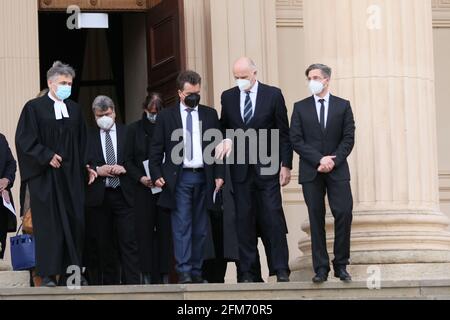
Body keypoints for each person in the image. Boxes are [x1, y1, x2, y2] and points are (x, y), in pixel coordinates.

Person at [219, 57, 293, 283]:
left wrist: (286, 164)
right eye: (236, 77)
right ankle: (249, 273)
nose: (240, 81)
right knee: (244, 221)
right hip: (240, 170)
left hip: (267, 168)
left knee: (272, 218)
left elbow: (283, 133)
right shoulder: (228, 97)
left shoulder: (273, 94)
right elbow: (224, 128)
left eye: (243, 77)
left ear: (254, 73)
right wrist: (225, 140)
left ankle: (280, 269)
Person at [15, 61, 88, 287]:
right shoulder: (34, 108)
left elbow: (84, 142)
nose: (67, 86)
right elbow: (24, 140)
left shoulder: (75, 109)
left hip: (71, 178)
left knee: (76, 223)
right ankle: (47, 275)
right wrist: (46, 155)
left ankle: (73, 275)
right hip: (45, 178)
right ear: (50, 82)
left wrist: (88, 165)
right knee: (49, 226)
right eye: (63, 83)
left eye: (69, 83)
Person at [149, 70, 224, 284]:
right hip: (179, 178)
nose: (195, 97)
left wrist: (219, 175)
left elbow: (218, 148)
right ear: (180, 93)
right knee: (182, 225)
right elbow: (155, 149)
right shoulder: (166, 116)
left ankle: (197, 272)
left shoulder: (209, 114)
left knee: (201, 228)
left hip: (204, 177)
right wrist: (156, 175)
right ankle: (183, 272)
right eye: (190, 93)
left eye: (197, 92)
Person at [290, 63, 355, 283]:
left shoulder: (342, 106)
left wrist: (332, 161)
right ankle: (321, 268)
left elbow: (348, 138)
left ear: (327, 79)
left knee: (344, 212)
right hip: (311, 170)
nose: (312, 81)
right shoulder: (300, 107)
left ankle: (341, 264)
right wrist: (319, 159)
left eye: (316, 77)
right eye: (309, 78)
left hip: (337, 170)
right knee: (315, 218)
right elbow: (296, 139)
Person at [85, 95, 140, 285]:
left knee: (128, 242)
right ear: (94, 116)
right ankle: (110, 288)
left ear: (114, 112)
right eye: (100, 115)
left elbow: (137, 160)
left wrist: (124, 169)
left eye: (107, 114)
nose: (104, 118)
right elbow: (83, 163)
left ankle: (133, 286)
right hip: (100, 197)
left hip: (124, 195)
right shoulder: (88, 136)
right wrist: (97, 170)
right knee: (104, 244)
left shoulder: (128, 132)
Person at [125, 93, 171, 285]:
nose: (154, 115)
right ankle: (145, 275)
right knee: (143, 234)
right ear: (145, 109)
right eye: (151, 112)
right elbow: (127, 160)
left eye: (157, 111)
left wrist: (163, 177)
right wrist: (141, 178)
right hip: (142, 189)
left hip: (164, 187)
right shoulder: (133, 130)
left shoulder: (169, 128)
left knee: (165, 233)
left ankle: (165, 275)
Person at [0, 133, 17, 259]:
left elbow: (11, 163)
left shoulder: (1, 139)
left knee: (1, 232)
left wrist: (6, 180)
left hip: (1, 196)